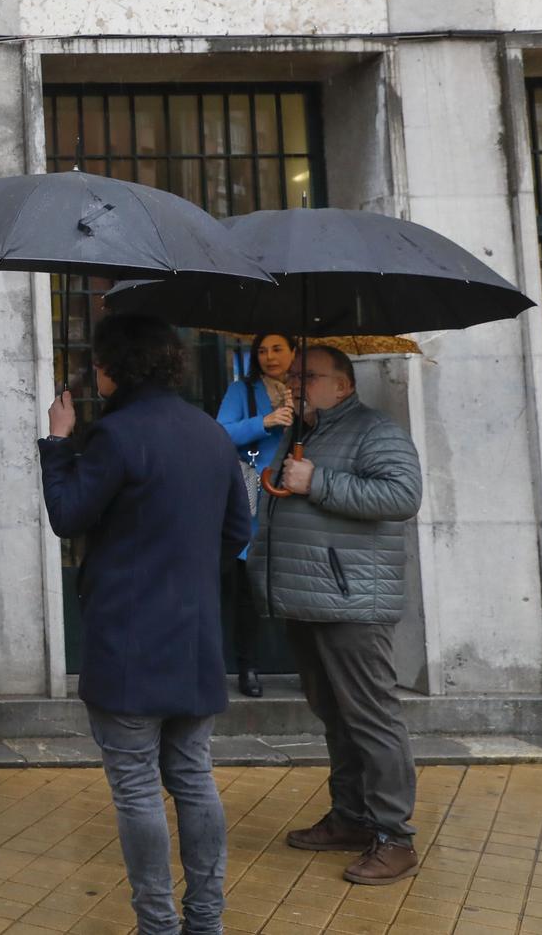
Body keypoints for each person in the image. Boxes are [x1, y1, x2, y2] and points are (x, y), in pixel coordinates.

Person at [39, 314, 251, 935]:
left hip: (128, 638)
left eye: (100, 363)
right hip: (194, 635)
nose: (95, 374)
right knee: (193, 775)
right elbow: (237, 531)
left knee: (135, 785)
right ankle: (206, 921)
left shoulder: (118, 436)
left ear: (116, 368)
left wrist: (57, 443)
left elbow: (68, 515)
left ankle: (157, 923)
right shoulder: (212, 434)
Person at [252, 345, 425, 887]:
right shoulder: (304, 429)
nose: (297, 381)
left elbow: (402, 495)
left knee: (372, 718)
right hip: (309, 599)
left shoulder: (376, 431)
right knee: (335, 714)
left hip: (352, 602)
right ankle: (351, 817)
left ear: (344, 386)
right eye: (294, 374)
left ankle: (395, 837)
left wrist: (317, 482)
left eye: (311, 375)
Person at [213, 332, 297, 698]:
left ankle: (307, 666)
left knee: (297, 588)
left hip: (297, 500)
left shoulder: (304, 389)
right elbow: (219, 432)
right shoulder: (241, 392)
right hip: (253, 497)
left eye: (277, 349)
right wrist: (263, 422)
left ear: (294, 352)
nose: (269, 357)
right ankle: (248, 666)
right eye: (262, 350)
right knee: (246, 591)